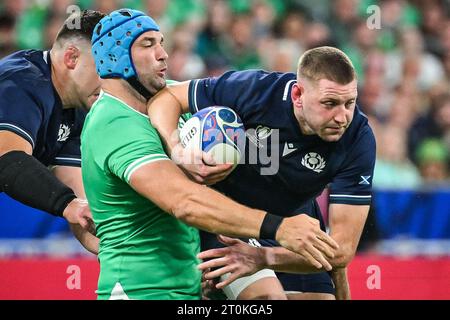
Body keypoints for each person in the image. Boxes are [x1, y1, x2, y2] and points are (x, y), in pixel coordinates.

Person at [82, 8, 339, 300]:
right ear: (116, 57)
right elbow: (184, 202)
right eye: (148, 44)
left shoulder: (173, 98)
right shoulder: (113, 122)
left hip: (189, 285)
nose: (163, 54)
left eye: (162, 42)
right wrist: (278, 227)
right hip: (141, 289)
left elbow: (264, 132)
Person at [147, 46, 376, 300]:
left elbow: (342, 250)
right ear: (298, 94)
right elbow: (167, 97)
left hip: (294, 221)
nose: (342, 117)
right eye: (330, 104)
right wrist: (178, 150)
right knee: (266, 300)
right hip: (229, 216)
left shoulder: (358, 138)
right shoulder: (256, 90)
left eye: (350, 103)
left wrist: (263, 257)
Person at [0, 10, 106, 254]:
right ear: (71, 58)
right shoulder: (20, 82)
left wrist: (112, 251)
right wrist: (68, 204)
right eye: (103, 67)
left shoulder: (79, 105)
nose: (110, 81)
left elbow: (80, 201)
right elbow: (7, 161)